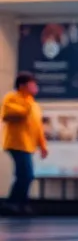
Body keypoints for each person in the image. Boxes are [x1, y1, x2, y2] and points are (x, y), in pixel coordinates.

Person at [1, 73, 48, 214]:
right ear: (22, 86)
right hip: (16, 143)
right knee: (26, 174)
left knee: (25, 174)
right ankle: (14, 202)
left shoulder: (34, 104)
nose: (35, 87)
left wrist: (43, 146)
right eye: (32, 84)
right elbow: (8, 114)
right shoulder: (12, 98)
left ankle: (19, 203)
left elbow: (38, 127)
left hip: (28, 145)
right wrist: (27, 103)